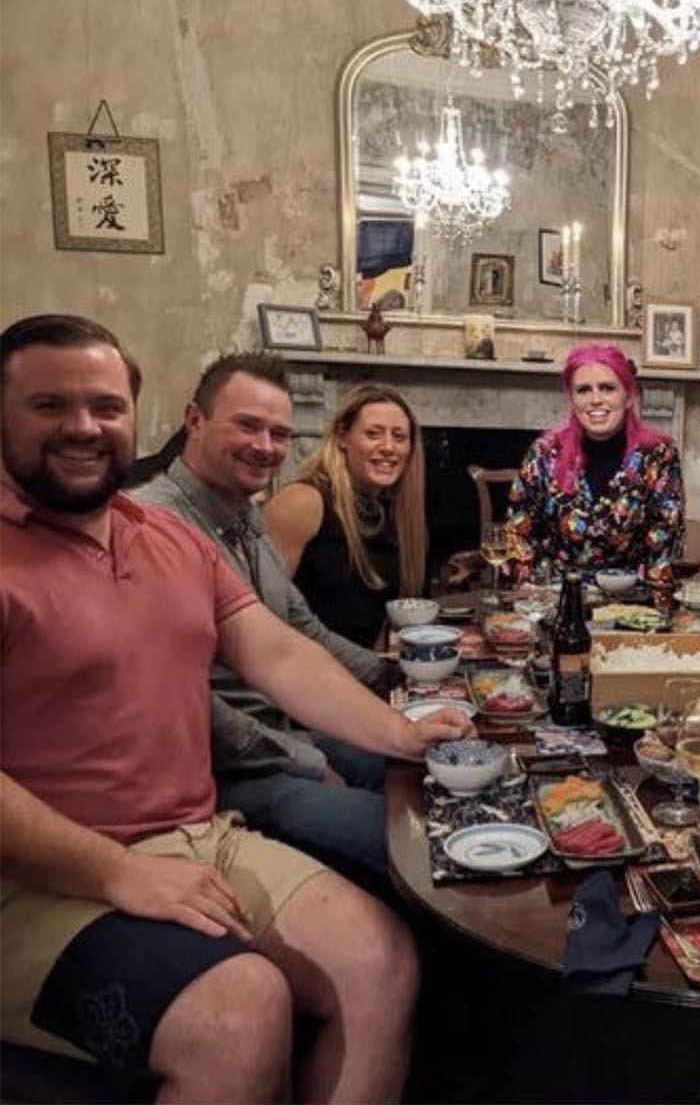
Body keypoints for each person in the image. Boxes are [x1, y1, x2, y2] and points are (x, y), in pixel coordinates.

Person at [0, 315, 471, 1099]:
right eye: (50, 406)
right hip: (35, 879)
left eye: (105, 407)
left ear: (134, 414)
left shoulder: (166, 537)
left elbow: (281, 654)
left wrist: (407, 734)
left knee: (380, 960)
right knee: (242, 1009)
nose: (83, 426)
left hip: (197, 835)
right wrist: (115, 871)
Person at [134, 351, 396, 882]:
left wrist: (396, 676)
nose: (266, 447)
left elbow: (304, 632)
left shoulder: (245, 515)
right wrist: (303, 759)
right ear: (194, 420)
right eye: (248, 426)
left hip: (288, 734)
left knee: (423, 782)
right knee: (401, 835)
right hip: (224, 771)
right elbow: (186, 700)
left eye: (279, 433)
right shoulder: (150, 526)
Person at [504, 343, 685, 598]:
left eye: (608, 388)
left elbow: (665, 543)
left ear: (630, 396)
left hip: (631, 602)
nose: (595, 399)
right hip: (557, 599)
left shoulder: (659, 456)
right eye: (583, 390)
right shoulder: (544, 453)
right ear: (573, 398)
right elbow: (516, 530)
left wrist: (655, 612)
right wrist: (529, 584)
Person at [264, 383, 427, 648]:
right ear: (342, 437)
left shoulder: (386, 512)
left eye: (399, 437)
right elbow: (261, 617)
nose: (388, 447)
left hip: (360, 669)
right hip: (305, 670)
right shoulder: (303, 501)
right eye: (373, 434)